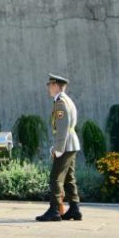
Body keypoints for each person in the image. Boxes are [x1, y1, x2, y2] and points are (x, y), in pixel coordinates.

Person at [38, 75, 83, 222]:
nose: (48, 87)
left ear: (56, 85)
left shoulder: (60, 102)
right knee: (69, 177)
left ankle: (55, 210)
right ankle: (75, 209)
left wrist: (58, 148)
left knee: (55, 178)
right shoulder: (67, 100)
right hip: (71, 143)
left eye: (49, 84)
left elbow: (62, 127)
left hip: (66, 145)